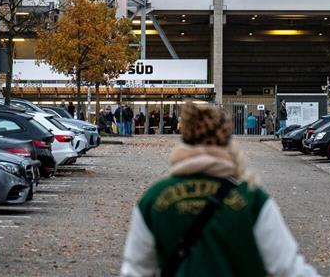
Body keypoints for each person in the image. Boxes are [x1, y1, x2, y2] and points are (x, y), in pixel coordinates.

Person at [120, 103, 319, 277]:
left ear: (184, 139)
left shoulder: (154, 199)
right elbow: (289, 268)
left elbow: (135, 271)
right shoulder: (251, 198)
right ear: (227, 141)